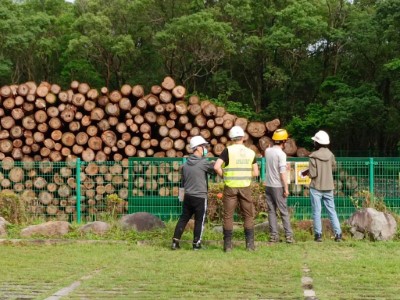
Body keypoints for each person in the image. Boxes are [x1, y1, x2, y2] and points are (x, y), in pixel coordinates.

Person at [214, 126, 259, 252]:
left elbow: (216, 167)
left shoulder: (227, 151)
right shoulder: (251, 152)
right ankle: (250, 245)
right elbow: (256, 173)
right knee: (248, 216)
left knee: (228, 216)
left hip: (230, 187)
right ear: (243, 138)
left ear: (232, 138)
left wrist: (224, 174)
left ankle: (228, 246)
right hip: (245, 187)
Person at [171, 135, 215, 250]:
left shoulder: (185, 165)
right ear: (198, 148)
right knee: (199, 221)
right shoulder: (204, 163)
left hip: (188, 196)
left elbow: (183, 183)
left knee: (183, 218)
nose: (205, 148)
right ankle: (196, 244)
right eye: (204, 146)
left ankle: (175, 242)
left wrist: (182, 197)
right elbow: (214, 170)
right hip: (200, 197)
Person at [303, 130, 342, 242]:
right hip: (329, 186)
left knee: (317, 211)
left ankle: (318, 235)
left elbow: (313, 174)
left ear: (317, 143)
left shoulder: (313, 156)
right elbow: (333, 168)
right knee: (332, 211)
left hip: (316, 187)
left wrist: (308, 173)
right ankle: (338, 234)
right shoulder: (331, 155)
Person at [264, 129, 294, 244]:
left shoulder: (268, 151)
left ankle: (273, 236)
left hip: (269, 185)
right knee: (283, 211)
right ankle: (289, 236)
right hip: (278, 186)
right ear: (284, 141)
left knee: (271, 211)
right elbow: (282, 173)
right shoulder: (281, 154)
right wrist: (286, 189)